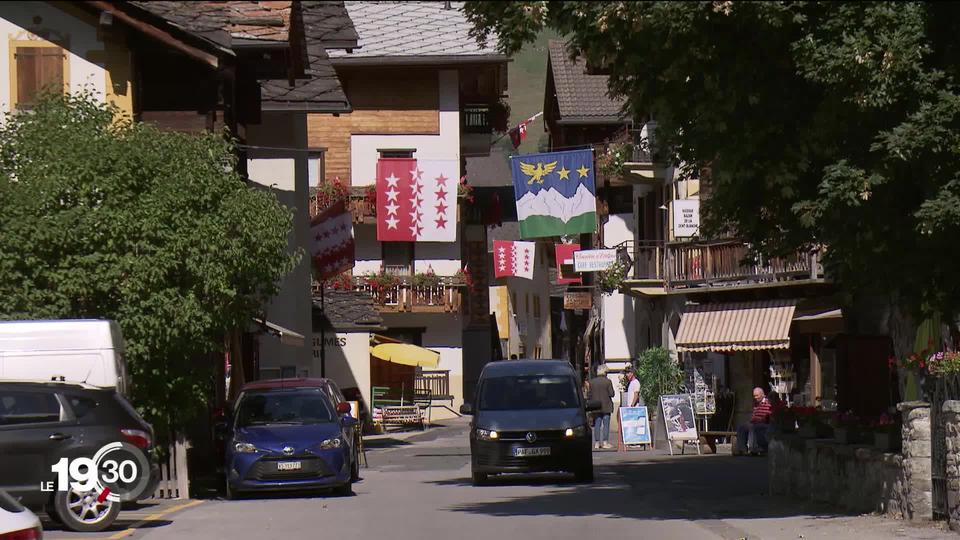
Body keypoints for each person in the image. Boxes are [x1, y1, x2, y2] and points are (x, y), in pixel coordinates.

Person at [736, 387, 773, 455]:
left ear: (762, 394)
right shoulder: (756, 404)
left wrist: (758, 420)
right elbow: (754, 416)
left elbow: (768, 415)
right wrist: (751, 421)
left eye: (757, 395)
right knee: (741, 427)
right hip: (755, 423)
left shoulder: (768, 403)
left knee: (752, 427)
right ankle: (742, 449)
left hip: (764, 423)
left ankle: (753, 449)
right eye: (754, 396)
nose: (755, 397)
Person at [588, 365, 616, 449]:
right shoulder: (608, 381)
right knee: (606, 424)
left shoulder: (592, 382)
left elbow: (590, 394)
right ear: (605, 372)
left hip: (596, 406)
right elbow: (611, 394)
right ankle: (605, 442)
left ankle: (596, 443)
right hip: (606, 405)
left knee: (597, 424)